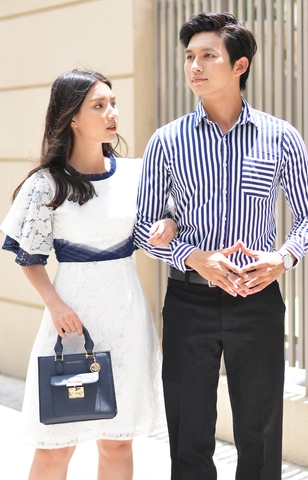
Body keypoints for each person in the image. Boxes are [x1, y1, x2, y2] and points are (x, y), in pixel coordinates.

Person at [134, 11, 308, 480]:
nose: (194, 66)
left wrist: (282, 258)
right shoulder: (167, 141)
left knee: (259, 439)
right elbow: (143, 227)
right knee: (188, 436)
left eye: (208, 56)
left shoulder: (281, 138)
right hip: (187, 300)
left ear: (239, 65)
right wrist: (191, 255)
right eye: (189, 56)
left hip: (257, 303)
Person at [0, 69, 177, 480]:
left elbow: (168, 216)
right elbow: (29, 256)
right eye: (99, 106)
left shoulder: (135, 174)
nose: (112, 113)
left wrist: (168, 223)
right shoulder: (46, 184)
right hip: (70, 319)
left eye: (112, 103)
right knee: (54, 445)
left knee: (117, 442)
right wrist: (55, 305)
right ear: (72, 118)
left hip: (126, 312)